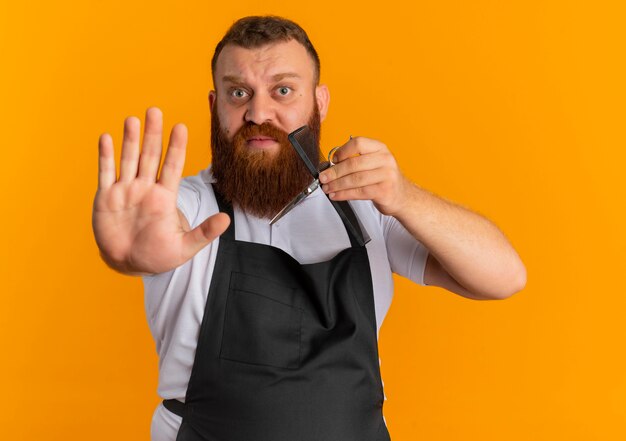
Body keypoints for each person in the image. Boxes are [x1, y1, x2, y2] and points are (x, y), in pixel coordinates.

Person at [93, 15, 526, 441]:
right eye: (239, 93)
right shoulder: (184, 209)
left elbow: (504, 276)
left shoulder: (369, 209)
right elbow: (148, 238)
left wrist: (405, 197)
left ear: (319, 104)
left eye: (283, 90)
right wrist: (129, 254)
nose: (258, 112)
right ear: (215, 107)